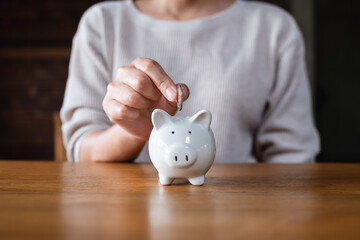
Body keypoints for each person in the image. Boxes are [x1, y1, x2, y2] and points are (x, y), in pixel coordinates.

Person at [61, 0, 320, 163]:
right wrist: (135, 133)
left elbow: (293, 153)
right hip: (127, 214)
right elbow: (81, 149)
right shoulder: (102, 23)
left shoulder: (273, 28)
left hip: (239, 213)